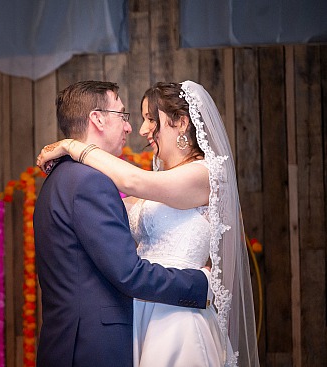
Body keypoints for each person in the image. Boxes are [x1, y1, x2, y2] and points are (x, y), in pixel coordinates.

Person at [36, 81, 260, 367]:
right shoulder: (91, 184)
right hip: (143, 317)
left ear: (180, 122)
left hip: (178, 318)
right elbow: (120, 208)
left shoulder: (205, 175)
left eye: (151, 120)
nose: (140, 130)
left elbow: (133, 182)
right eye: (128, 117)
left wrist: (72, 145)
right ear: (97, 118)